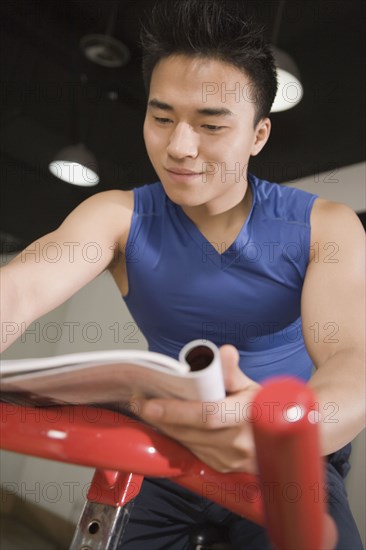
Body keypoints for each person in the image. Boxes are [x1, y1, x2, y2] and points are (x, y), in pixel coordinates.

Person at [1, 0, 364, 548]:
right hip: (171, 441)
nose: (178, 148)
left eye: (211, 125)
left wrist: (288, 428)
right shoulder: (118, 216)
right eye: (161, 117)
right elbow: (20, 290)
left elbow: (352, 358)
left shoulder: (323, 227)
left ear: (258, 135)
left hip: (289, 455)